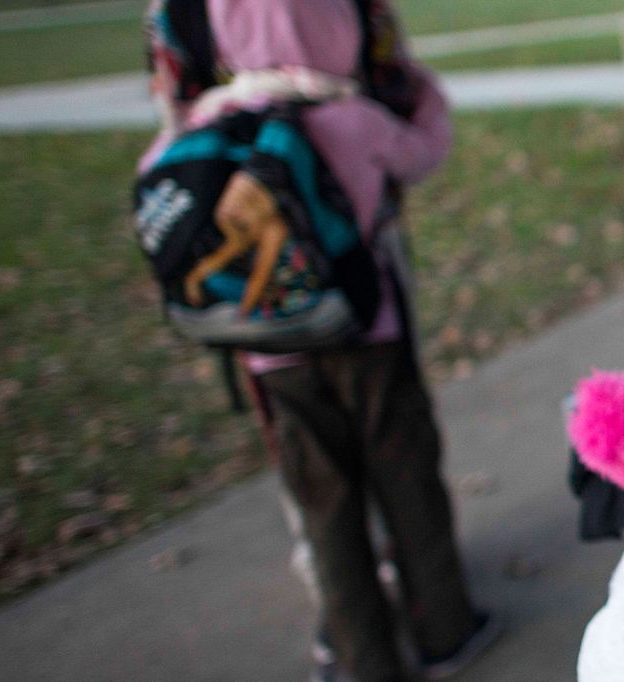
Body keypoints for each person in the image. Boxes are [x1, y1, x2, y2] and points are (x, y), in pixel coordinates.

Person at [139, 1, 494, 680]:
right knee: (406, 475)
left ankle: (360, 653)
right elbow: (424, 153)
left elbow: (159, 184)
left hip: (272, 350)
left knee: (323, 499)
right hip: (370, 330)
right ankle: (445, 628)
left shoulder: (209, 126)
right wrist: (424, 93)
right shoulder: (353, 117)